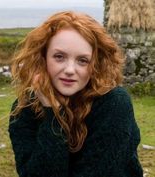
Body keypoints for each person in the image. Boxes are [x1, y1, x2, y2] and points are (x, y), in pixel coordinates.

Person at [8, 11, 143, 177]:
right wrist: (53, 112)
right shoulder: (25, 108)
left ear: (95, 64)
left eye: (82, 60)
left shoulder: (114, 103)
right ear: (43, 58)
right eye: (59, 57)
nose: (70, 70)